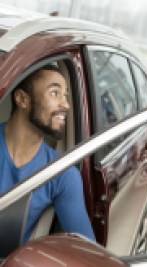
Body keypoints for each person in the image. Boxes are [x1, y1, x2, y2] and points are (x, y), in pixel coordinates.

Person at [0, 64, 96, 243]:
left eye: (65, 95)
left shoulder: (62, 174)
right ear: (22, 99)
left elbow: (85, 250)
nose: (66, 105)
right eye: (54, 93)